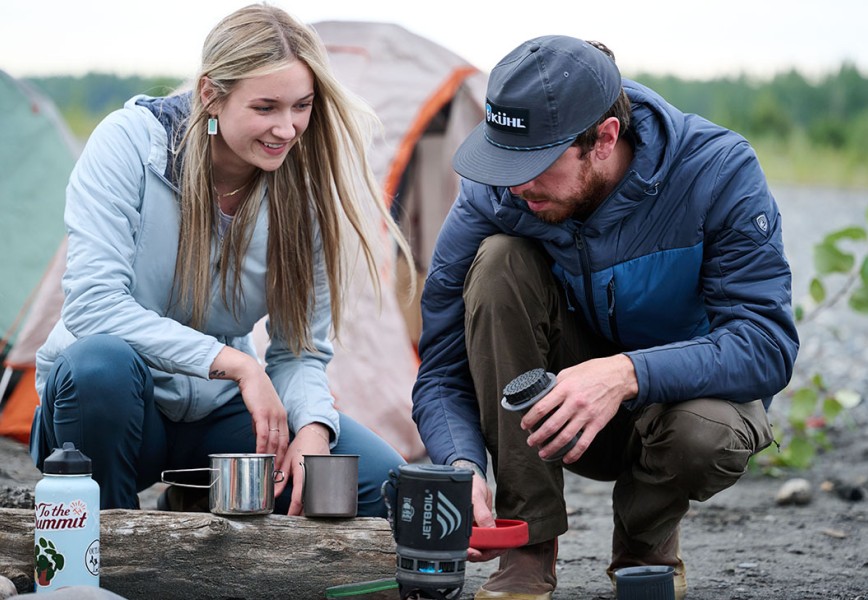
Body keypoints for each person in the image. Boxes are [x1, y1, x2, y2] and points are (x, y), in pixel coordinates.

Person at [412, 35, 799, 599]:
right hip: (561, 418)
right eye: (504, 162)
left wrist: (625, 374)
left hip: (678, 409)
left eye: (537, 165)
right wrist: (460, 462)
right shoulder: (496, 196)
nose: (516, 185)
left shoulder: (716, 171)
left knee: (703, 436)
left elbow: (766, 344)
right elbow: (441, 366)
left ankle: (645, 548)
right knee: (498, 262)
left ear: (604, 139)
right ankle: (528, 547)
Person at [29, 3, 411, 517]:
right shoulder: (130, 145)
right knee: (100, 365)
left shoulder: (306, 192)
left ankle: (193, 498)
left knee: (380, 485)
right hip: (111, 411)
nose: (288, 128)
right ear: (210, 94)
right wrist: (235, 364)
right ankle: (103, 560)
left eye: (302, 105)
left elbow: (299, 350)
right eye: (266, 107)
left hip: (215, 415)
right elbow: (93, 306)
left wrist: (315, 430)